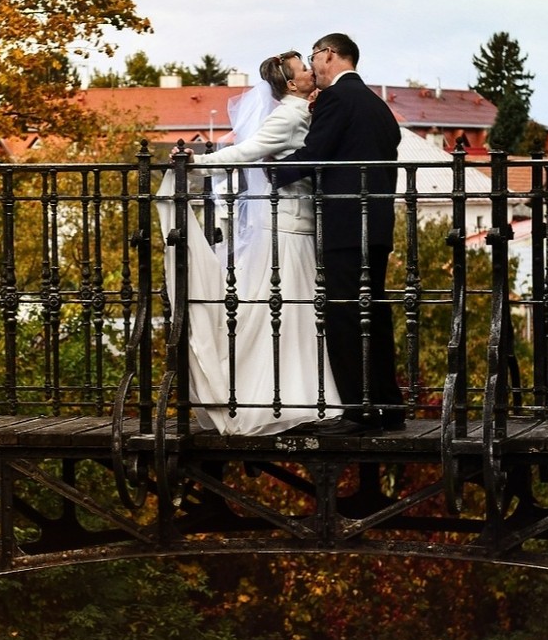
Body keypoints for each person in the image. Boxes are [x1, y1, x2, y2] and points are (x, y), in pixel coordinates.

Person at [156, 51, 342, 434]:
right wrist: (197, 163)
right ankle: (294, 399)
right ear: (291, 83)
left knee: (299, 314)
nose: (310, 71)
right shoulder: (287, 116)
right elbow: (248, 151)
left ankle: (305, 395)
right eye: (303, 69)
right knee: (291, 313)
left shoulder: (303, 110)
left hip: (299, 224)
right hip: (289, 228)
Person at [272, 32, 404, 431]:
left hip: (345, 224)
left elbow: (316, 153)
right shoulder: (379, 106)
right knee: (375, 312)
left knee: (343, 314)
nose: (312, 65)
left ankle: (357, 409)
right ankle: (389, 405)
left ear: (329, 54)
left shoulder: (337, 98)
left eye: (314, 56)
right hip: (377, 224)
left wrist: (269, 172)